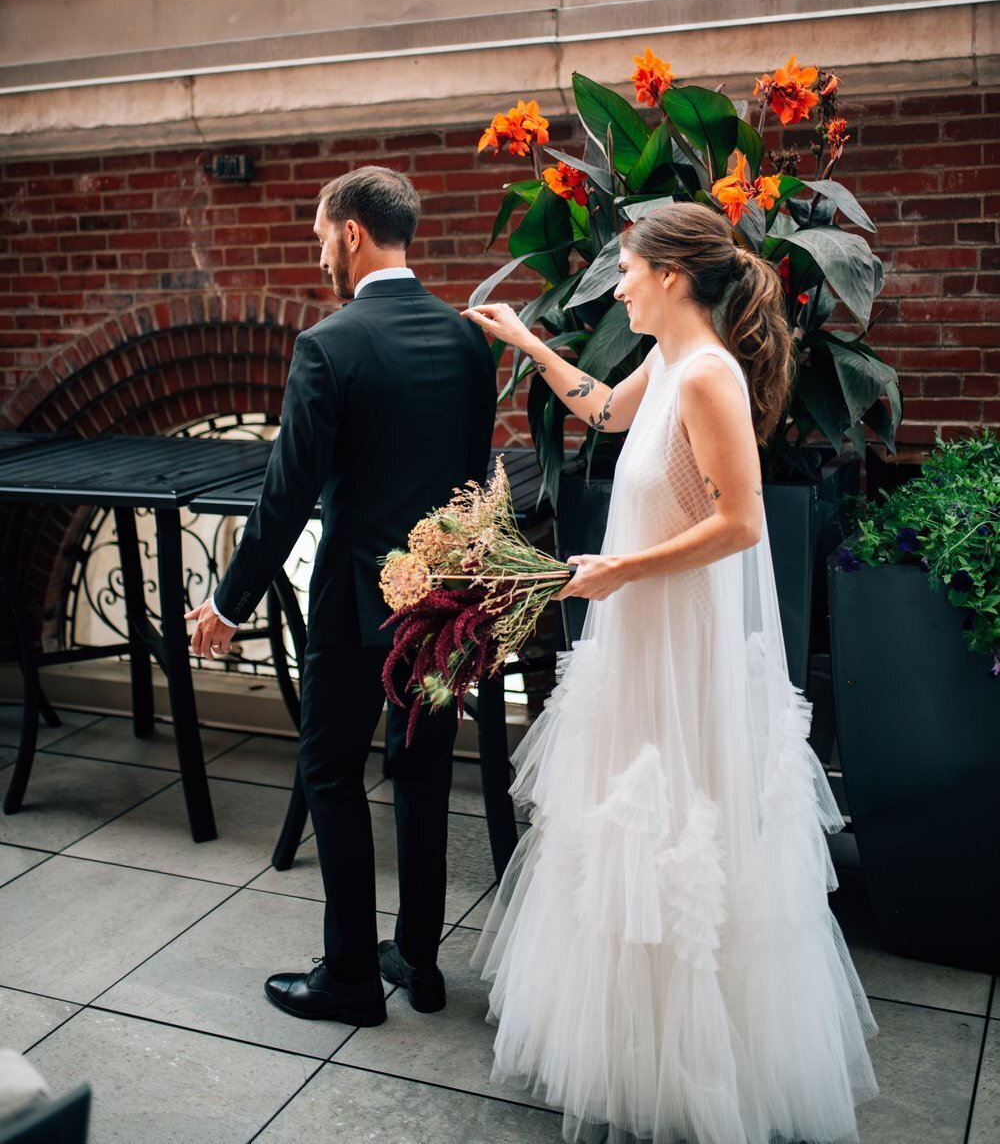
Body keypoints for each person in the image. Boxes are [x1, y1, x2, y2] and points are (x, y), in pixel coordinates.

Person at [463, 201, 877, 1144]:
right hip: (639, 639)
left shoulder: (711, 379)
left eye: (627, 269)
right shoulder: (664, 363)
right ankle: (630, 1050)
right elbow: (602, 407)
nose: (616, 284)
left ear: (673, 277)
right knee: (625, 836)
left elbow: (741, 523)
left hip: (680, 642)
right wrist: (527, 339)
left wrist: (618, 571)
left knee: (682, 836)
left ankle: (697, 1075)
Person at [186, 166, 496, 1026]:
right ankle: (419, 962)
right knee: (423, 773)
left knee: (330, 771)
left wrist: (229, 602)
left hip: (356, 609)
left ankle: (353, 977)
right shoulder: (468, 340)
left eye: (322, 235)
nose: (319, 251)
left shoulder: (329, 344)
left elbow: (286, 494)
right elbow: (473, 489)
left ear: (352, 233)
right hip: (443, 608)